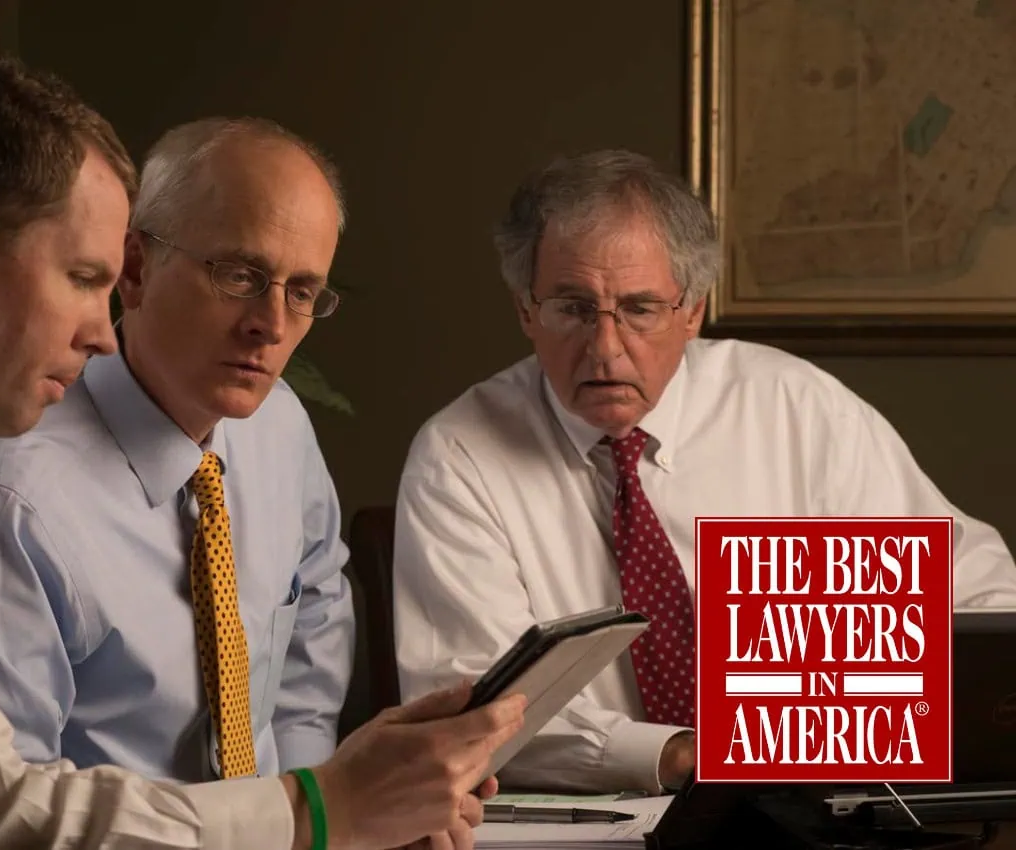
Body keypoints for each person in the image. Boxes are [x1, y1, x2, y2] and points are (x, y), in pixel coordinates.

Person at [0, 53, 524, 849]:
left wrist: (359, 800)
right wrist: (321, 811)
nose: (98, 329)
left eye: (303, 292)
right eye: (84, 277)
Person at [391, 148, 1016, 797]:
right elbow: (472, 714)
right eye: (572, 309)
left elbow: (981, 602)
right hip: (590, 823)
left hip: (820, 809)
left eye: (639, 309)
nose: (605, 348)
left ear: (691, 310)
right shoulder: (459, 455)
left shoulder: (795, 409)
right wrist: (687, 754)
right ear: (526, 309)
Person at [0, 117, 354, 785]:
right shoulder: (7, 501)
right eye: (240, 274)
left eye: (300, 292)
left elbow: (318, 615)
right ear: (135, 269)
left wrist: (312, 813)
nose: (270, 325)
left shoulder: (281, 429)